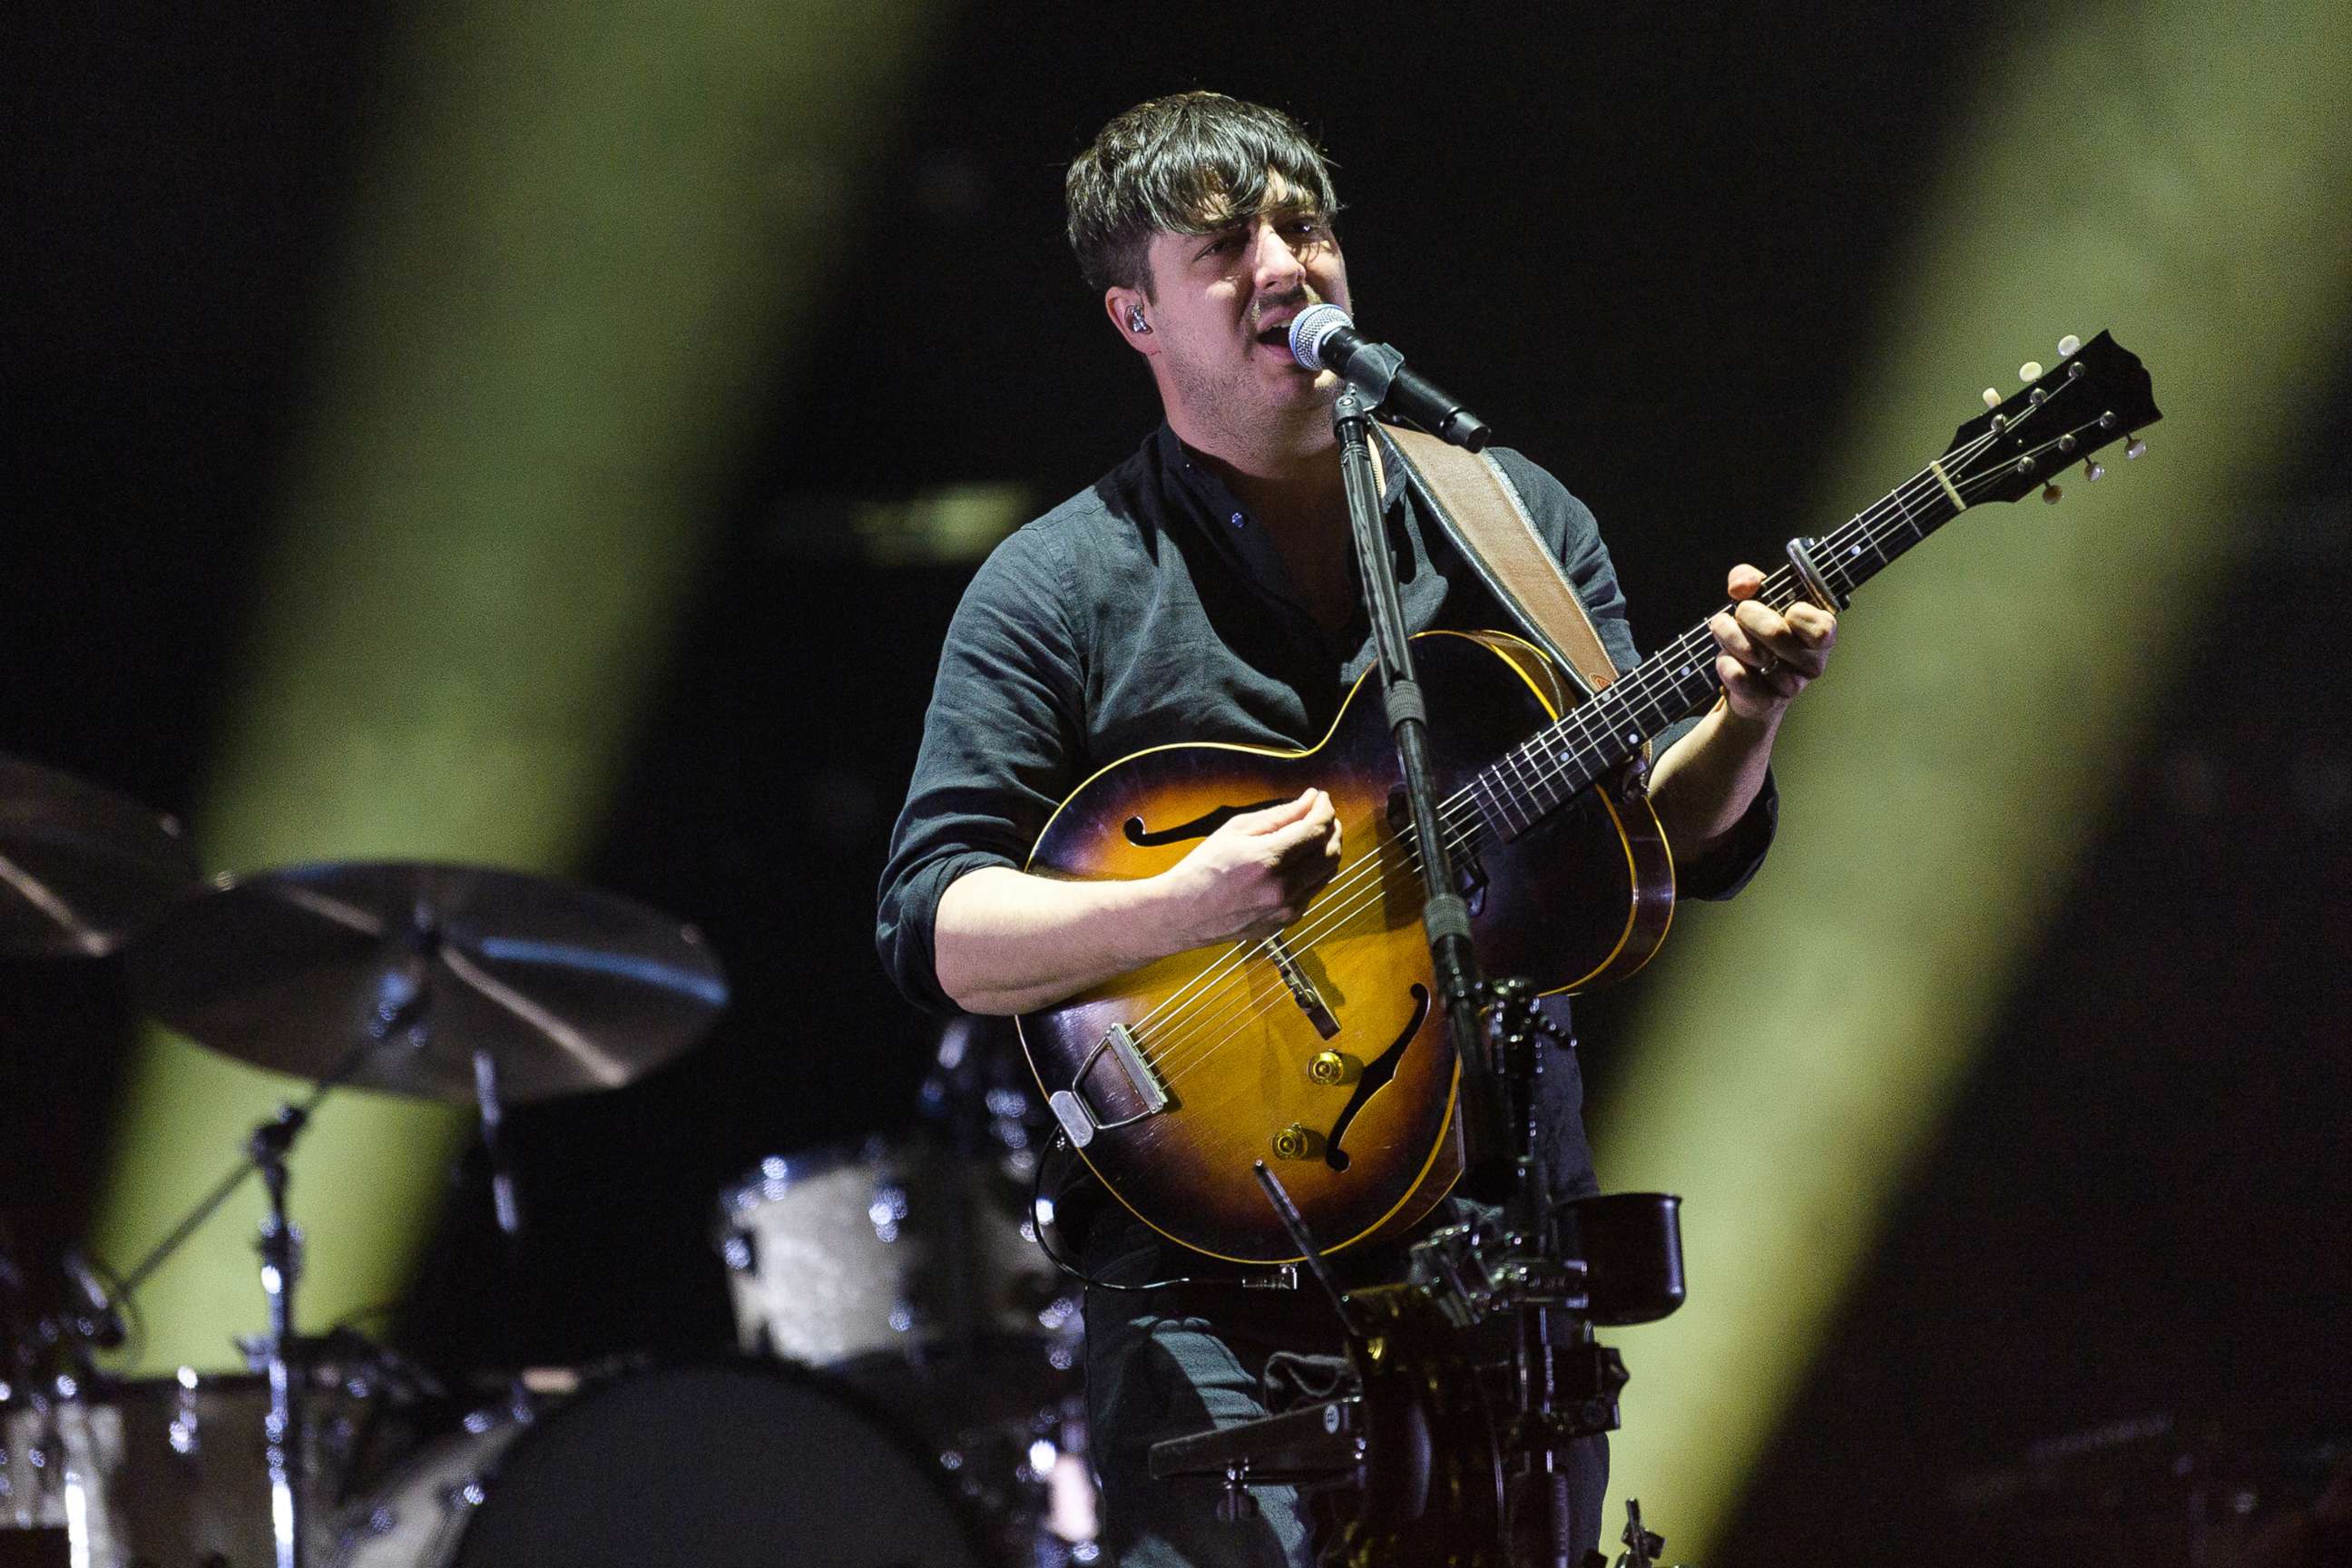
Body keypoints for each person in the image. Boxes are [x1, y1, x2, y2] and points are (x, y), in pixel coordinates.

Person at [877, 92, 1836, 1567]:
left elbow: (1656, 845)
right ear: (1138, 317)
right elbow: (937, 928)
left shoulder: (1508, 518)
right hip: (1203, 1276)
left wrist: (1749, 714)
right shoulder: (1055, 586)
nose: (1285, 264)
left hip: (1500, 1248)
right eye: (1224, 244)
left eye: (1305, 225)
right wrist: (1177, 907)